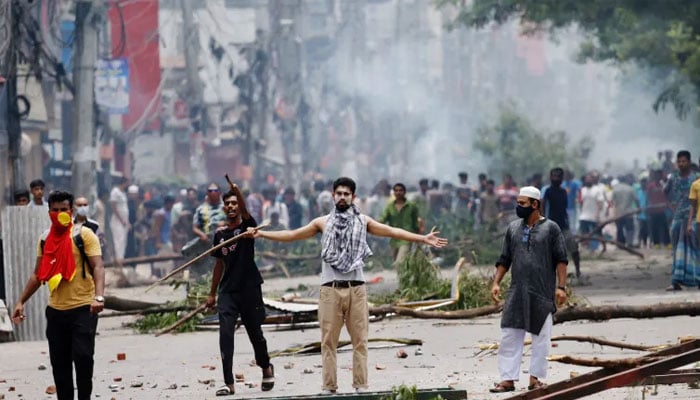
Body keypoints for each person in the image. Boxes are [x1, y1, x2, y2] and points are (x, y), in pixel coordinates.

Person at [252, 177, 447, 393]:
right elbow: (291, 235)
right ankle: (329, 387)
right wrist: (261, 233)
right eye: (339, 193)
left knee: (360, 341)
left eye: (347, 193)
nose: (342, 197)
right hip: (329, 289)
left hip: (357, 288)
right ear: (333, 195)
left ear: (353, 197)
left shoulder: (363, 221)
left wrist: (422, 238)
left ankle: (361, 386)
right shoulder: (322, 223)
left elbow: (392, 231)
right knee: (328, 342)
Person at [11, 190, 105, 400]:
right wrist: (20, 301)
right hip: (56, 311)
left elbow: (98, 267)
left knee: (83, 358)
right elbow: (38, 274)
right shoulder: (45, 239)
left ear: (71, 211)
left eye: (63, 209)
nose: (59, 213)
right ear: (49, 212)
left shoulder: (84, 234)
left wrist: (99, 297)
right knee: (60, 365)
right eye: (55, 210)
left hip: (83, 308)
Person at [489, 186, 568, 393]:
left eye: (522, 203)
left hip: (541, 292)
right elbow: (504, 258)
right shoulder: (513, 228)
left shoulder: (552, 228)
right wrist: (496, 282)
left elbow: (561, 259)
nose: (518, 207)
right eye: (518, 203)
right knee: (509, 334)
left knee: (541, 338)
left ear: (535, 204)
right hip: (516, 292)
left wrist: (561, 287)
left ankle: (535, 379)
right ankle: (507, 379)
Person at [206, 187, 274, 396]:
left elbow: (245, 213)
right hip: (228, 291)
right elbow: (219, 265)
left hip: (249, 288)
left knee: (255, 334)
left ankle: (266, 367)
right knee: (225, 334)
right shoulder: (220, 235)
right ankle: (229, 383)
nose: (231, 207)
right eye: (228, 204)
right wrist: (212, 293)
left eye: (235, 203)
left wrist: (238, 192)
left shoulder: (248, 227)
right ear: (224, 208)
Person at [666, 150, 700, 290]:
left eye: (684, 161)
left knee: (694, 248)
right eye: (679, 161)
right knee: (676, 248)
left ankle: (697, 278)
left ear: (689, 162)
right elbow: (666, 192)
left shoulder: (696, 178)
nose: (681, 164)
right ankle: (676, 280)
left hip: (693, 216)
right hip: (678, 216)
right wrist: (672, 207)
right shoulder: (673, 178)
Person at [542, 168, 581, 279]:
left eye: (559, 176)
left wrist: (567, 223)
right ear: (550, 177)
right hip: (550, 226)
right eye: (554, 176)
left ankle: (578, 271)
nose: (556, 178)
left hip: (564, 226)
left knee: (573, 247)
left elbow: (564, 209)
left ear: (562, 178)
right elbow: (542, 205)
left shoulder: (563, 192)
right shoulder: (547, 191)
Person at [378, 182, 421, 266]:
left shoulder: (412, 206)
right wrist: (376, 223)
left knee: (399, 262)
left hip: (407, 237)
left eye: (400, 190)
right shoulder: (390, 206)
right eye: (396, 190)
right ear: (393, 192)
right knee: (399, 262)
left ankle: (404, 278)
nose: (398, 192)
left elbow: (416, 223)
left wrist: (418, 238)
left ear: (404, 192)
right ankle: (404, 279)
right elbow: (383, 218)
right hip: (394, 238)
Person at [109, 177, 130, 260]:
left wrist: (127, 222)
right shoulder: (115, 192)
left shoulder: (123, 193)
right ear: (123, 183)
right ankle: (118, 259)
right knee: (118, 240)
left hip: (124, 221)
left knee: (123, 241)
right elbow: (114, 207)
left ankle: (121, 259)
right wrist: (121, 220)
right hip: (117, 221)